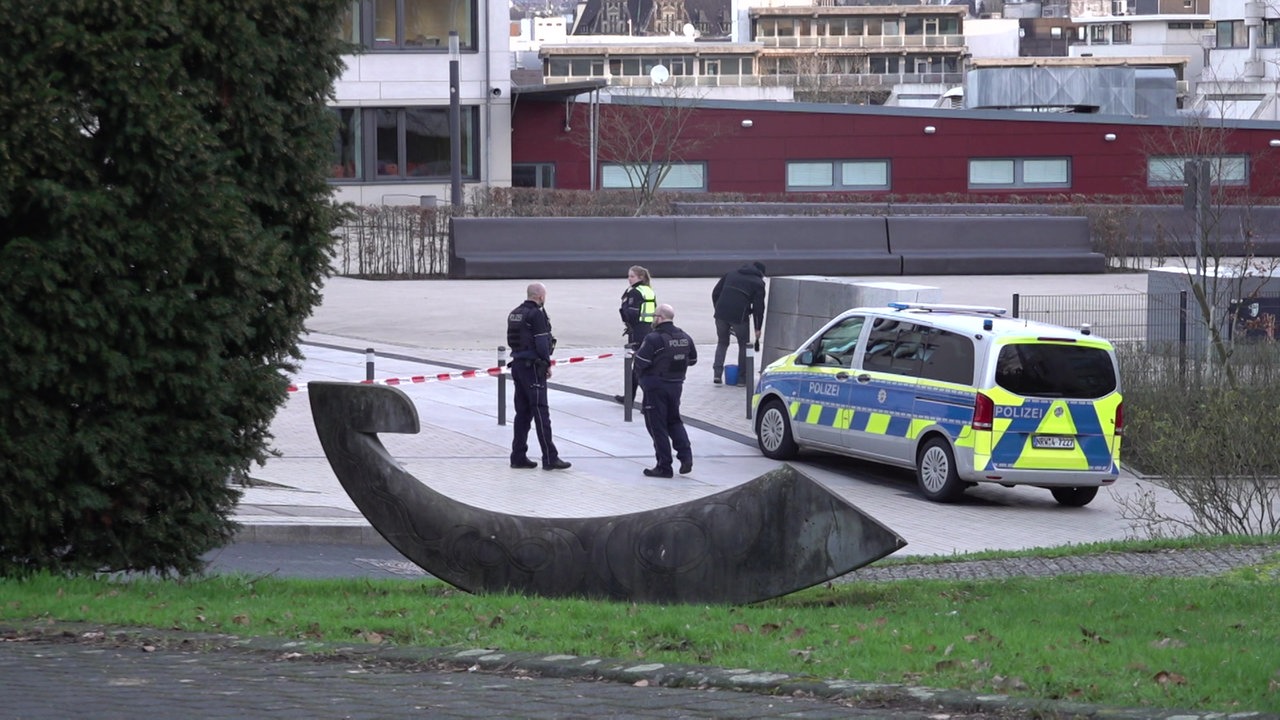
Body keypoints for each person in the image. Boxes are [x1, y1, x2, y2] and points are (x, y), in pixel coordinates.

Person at [506, 282, 571, 471]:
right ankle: (550, 458)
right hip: (533, 368)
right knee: (541, 412)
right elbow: (542, 342)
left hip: (518, 366)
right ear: (540, 296)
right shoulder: (537, 314)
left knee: (522, 414)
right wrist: (547, 363)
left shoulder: (515, 313)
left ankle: (518, 456)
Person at [633, 304, 697, 478]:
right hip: (676, 386)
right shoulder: (685, 337)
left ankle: (664, 466)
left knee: (657, 425)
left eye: (654, 316)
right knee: (674, 421)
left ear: (660, 317)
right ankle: (686, 457)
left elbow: (640, 361)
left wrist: (642, 376)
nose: (653, 319)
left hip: (656, 387)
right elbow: (693, 360)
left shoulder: (654, 338)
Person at [711, 261, 767, 386]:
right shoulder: (758, 283)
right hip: (739, 317)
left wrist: (718, 308)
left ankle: (717, 374)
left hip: (721, 315)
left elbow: (715, 293)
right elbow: (759, 308)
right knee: (743, 344)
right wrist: (758, 328)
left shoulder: (730, 274)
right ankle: (742, 379)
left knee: (722, 342)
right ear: (761, 273)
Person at [616, 265, 656, 405]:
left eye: (632, 276)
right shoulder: (648, 290)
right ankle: (631, 397)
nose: (629, 279)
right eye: (629, 276)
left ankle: (645, 399)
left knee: (638, 367)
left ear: (641, 277)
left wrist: (624, 312)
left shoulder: (634, 292)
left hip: (637, 332)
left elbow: (630, 314)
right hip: (649, 330)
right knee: (641, 366)